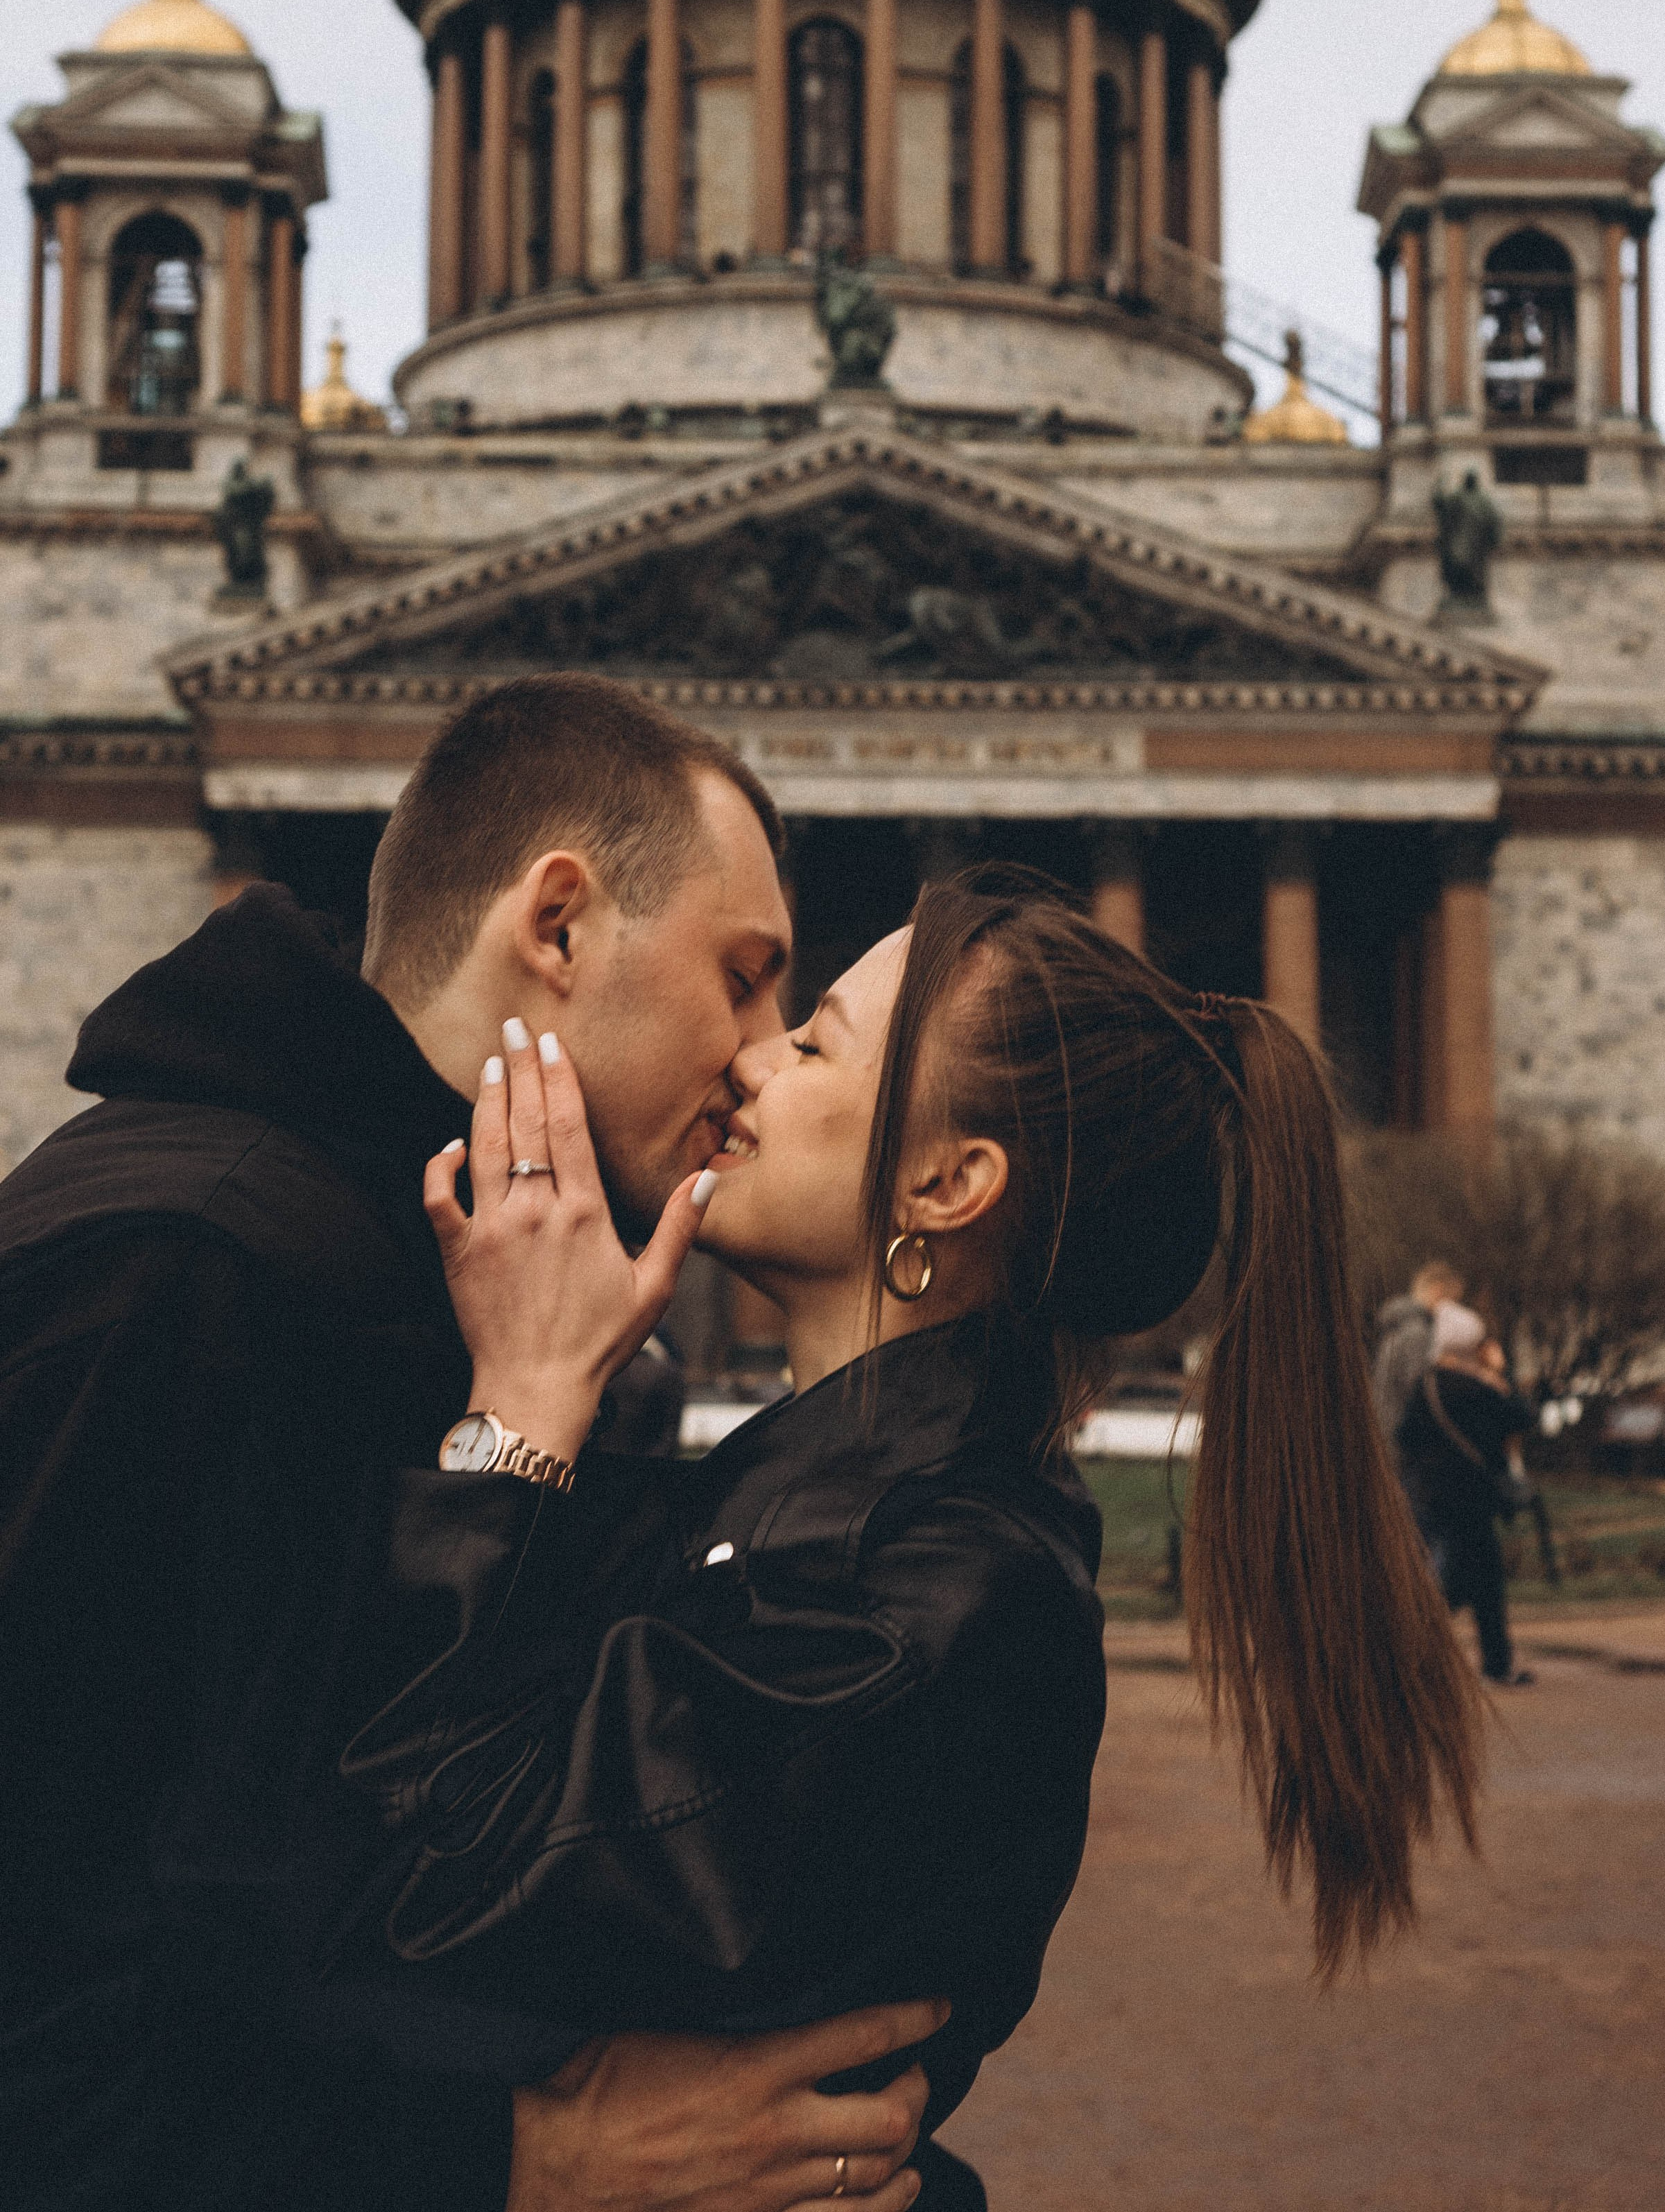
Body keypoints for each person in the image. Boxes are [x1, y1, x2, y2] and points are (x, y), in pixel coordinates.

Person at [309, 865, 1483, 2211]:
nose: (751, 1059)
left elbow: (419, 1893)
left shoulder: (929, 1599)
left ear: (944, 1181)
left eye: (815, 1042)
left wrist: (517, 1413)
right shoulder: (831, 1512)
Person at [0, 675, 940, 2212]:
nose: (766, 1055)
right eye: (746, 976)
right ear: (558, 925)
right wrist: (519, 2157)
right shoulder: (164, 1277)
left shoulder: (444, 1288)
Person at [1397, 1300, 1535, 1688]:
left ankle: (1492, 1662)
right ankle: (1412, 1655)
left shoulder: (1425, 1387)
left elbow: (1404, 1436)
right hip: (1472, 1499)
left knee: (1474, 1579)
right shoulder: (1477, 1387)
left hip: (1431, 1497)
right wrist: (1499, 1372)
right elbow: (1522, 1417)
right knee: (1466, 1583)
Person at [1372, 1259, 1464, 1440]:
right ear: (1438, 1291)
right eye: (1453, 1302)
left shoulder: (1398, 1326)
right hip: (1403, 1438)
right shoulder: (1419, 1332)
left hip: (1385, 1427)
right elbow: (1420, 1390)